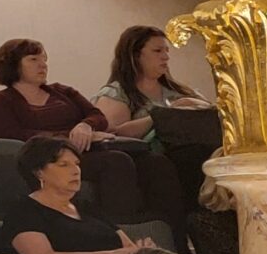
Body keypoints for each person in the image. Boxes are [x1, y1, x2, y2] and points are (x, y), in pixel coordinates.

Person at [0, 37, 187, 234]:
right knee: (116, 162)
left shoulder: (62, 91)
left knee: (156, 162)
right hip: (51, 158)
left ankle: (173, 235)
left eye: (44, 59)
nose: (42, 65)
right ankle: (121, 233)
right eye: (33, 59)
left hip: (89, 148)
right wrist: (69, 137)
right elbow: (11, 134)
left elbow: (97, 116)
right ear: (12, 65)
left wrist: (85, 126)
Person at [96, 24, 223, 234]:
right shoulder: (118, 93)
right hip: (156, 159)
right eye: (157, 51)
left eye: (166, 51)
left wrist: (188, 106)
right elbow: (114, 135)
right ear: (135, 55)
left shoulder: (178, 91)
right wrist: (163, 116)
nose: (165, 57)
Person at [0, 136, 148, 254]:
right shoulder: (25, 211)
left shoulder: (86, 206)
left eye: (77, 164)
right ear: (39, 172)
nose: (75, 171)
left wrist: (142, 253)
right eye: (64, 165)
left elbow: (127, 248)